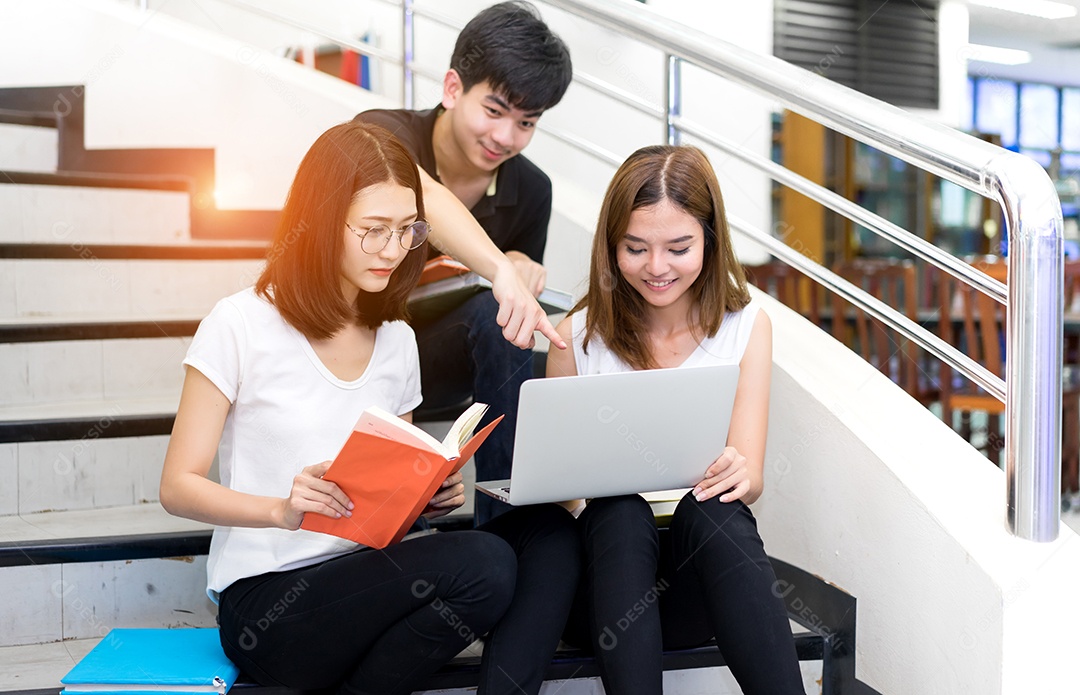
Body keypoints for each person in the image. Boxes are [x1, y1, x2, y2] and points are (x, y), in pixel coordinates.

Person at [160, 121, 580, 695]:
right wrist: (282, 509)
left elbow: (388, 506)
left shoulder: (397, 339)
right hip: (268, 602)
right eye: (374, 230)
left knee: (522, 552)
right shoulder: (239, 323)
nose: (393, 250)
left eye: (409, 230)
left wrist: (426, 497)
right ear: (319, 222)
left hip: (360, 581)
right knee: (486, 563)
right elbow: (177, 487)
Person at [549, 145, 805, 694]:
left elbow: (750, 477)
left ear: (710, 242)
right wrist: (587, 489)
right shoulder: (575, 336)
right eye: (635, 248)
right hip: (602, 590)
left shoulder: (746, 326)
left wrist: (739, 473)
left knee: (713, 511)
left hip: (692, 588)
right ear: (611, 245)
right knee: (618, 509)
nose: (657, 267)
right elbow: (562, 497)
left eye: (679, 247)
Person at [355, 1, 573, 524]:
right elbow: (420, 193)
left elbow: (510, 310)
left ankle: (508, 525)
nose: (505, 137)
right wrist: (501, 266)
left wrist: (522, 269)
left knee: (516, 335)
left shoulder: (531, 189)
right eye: (494, 111)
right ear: (453, 88)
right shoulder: (379, 134)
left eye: (526, 123)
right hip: (359, 350)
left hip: (440, 357)